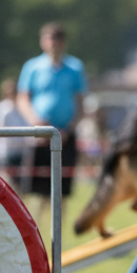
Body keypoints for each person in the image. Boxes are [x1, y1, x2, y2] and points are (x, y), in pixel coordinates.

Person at [16, 22, 87, 221]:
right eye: (50, 38)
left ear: (64, 42)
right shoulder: (32, 67)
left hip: (66, 137)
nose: (54, 42)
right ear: (42, 41)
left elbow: (81, 103)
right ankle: (32, 229)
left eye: (58, 38)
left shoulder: (75, 67)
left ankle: (57, 232)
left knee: (61, 190)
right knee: (33, 189)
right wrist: (37, 123)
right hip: (39, 136)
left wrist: (69, 128)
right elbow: (22, 99)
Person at [0, 78, 31, 192]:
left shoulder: (22, 107)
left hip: (21, 151)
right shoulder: (2, 108)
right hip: (5, 151)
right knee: (8, 182)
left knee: (21, 184)